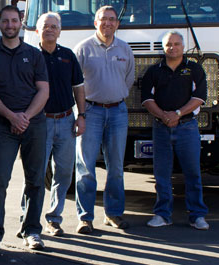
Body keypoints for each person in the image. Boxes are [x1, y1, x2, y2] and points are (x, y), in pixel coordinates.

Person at [0, 5, 49, 254]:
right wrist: (11, 116)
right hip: (3, 125)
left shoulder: (35, 54)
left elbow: (43, 90)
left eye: (14, 21)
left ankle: (32, 231)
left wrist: (25, 117)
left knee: (36, 181)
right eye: (5, 21)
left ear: (21, 23)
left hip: (34, 124)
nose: (10, 25)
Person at [73, 5, 135, 234]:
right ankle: (85, 217)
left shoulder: (125, 49)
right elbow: (75, 84)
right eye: (103, 19)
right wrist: (80, 113)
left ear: (117, 24)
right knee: (85, 167)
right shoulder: (83, 49)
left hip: (118, 112)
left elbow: (128, 79)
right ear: (95, 22)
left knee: (116, 167)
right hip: (90, 112)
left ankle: (113, 214)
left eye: (112, 19)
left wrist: (113, 95)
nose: (108, 23)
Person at [141, 30, 209, 230]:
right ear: (164, 47)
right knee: (161, 174)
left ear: (182, 46)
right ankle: (162, 215)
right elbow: (147, 99)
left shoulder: (194, 69)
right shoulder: (154, 71)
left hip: (187, 127)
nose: (172, 47)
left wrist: (177, 114)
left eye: (177, 44)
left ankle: (197, 216)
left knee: (193, 173)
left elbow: (199, 98)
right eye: (169, 44)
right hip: (161, 128)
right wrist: (163, 116)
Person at [34, 12, 86, 236]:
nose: (50, 30)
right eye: (46, 26)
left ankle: (53, 219)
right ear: (38, 30)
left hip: (66, 121)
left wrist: (81, 115)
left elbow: (79, 88)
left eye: (54, 26)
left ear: (60, 31)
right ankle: (29, 223)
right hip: (40, 122)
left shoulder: (68, 56)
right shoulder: (30, 55)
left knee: (64, 173)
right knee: (34, 175)